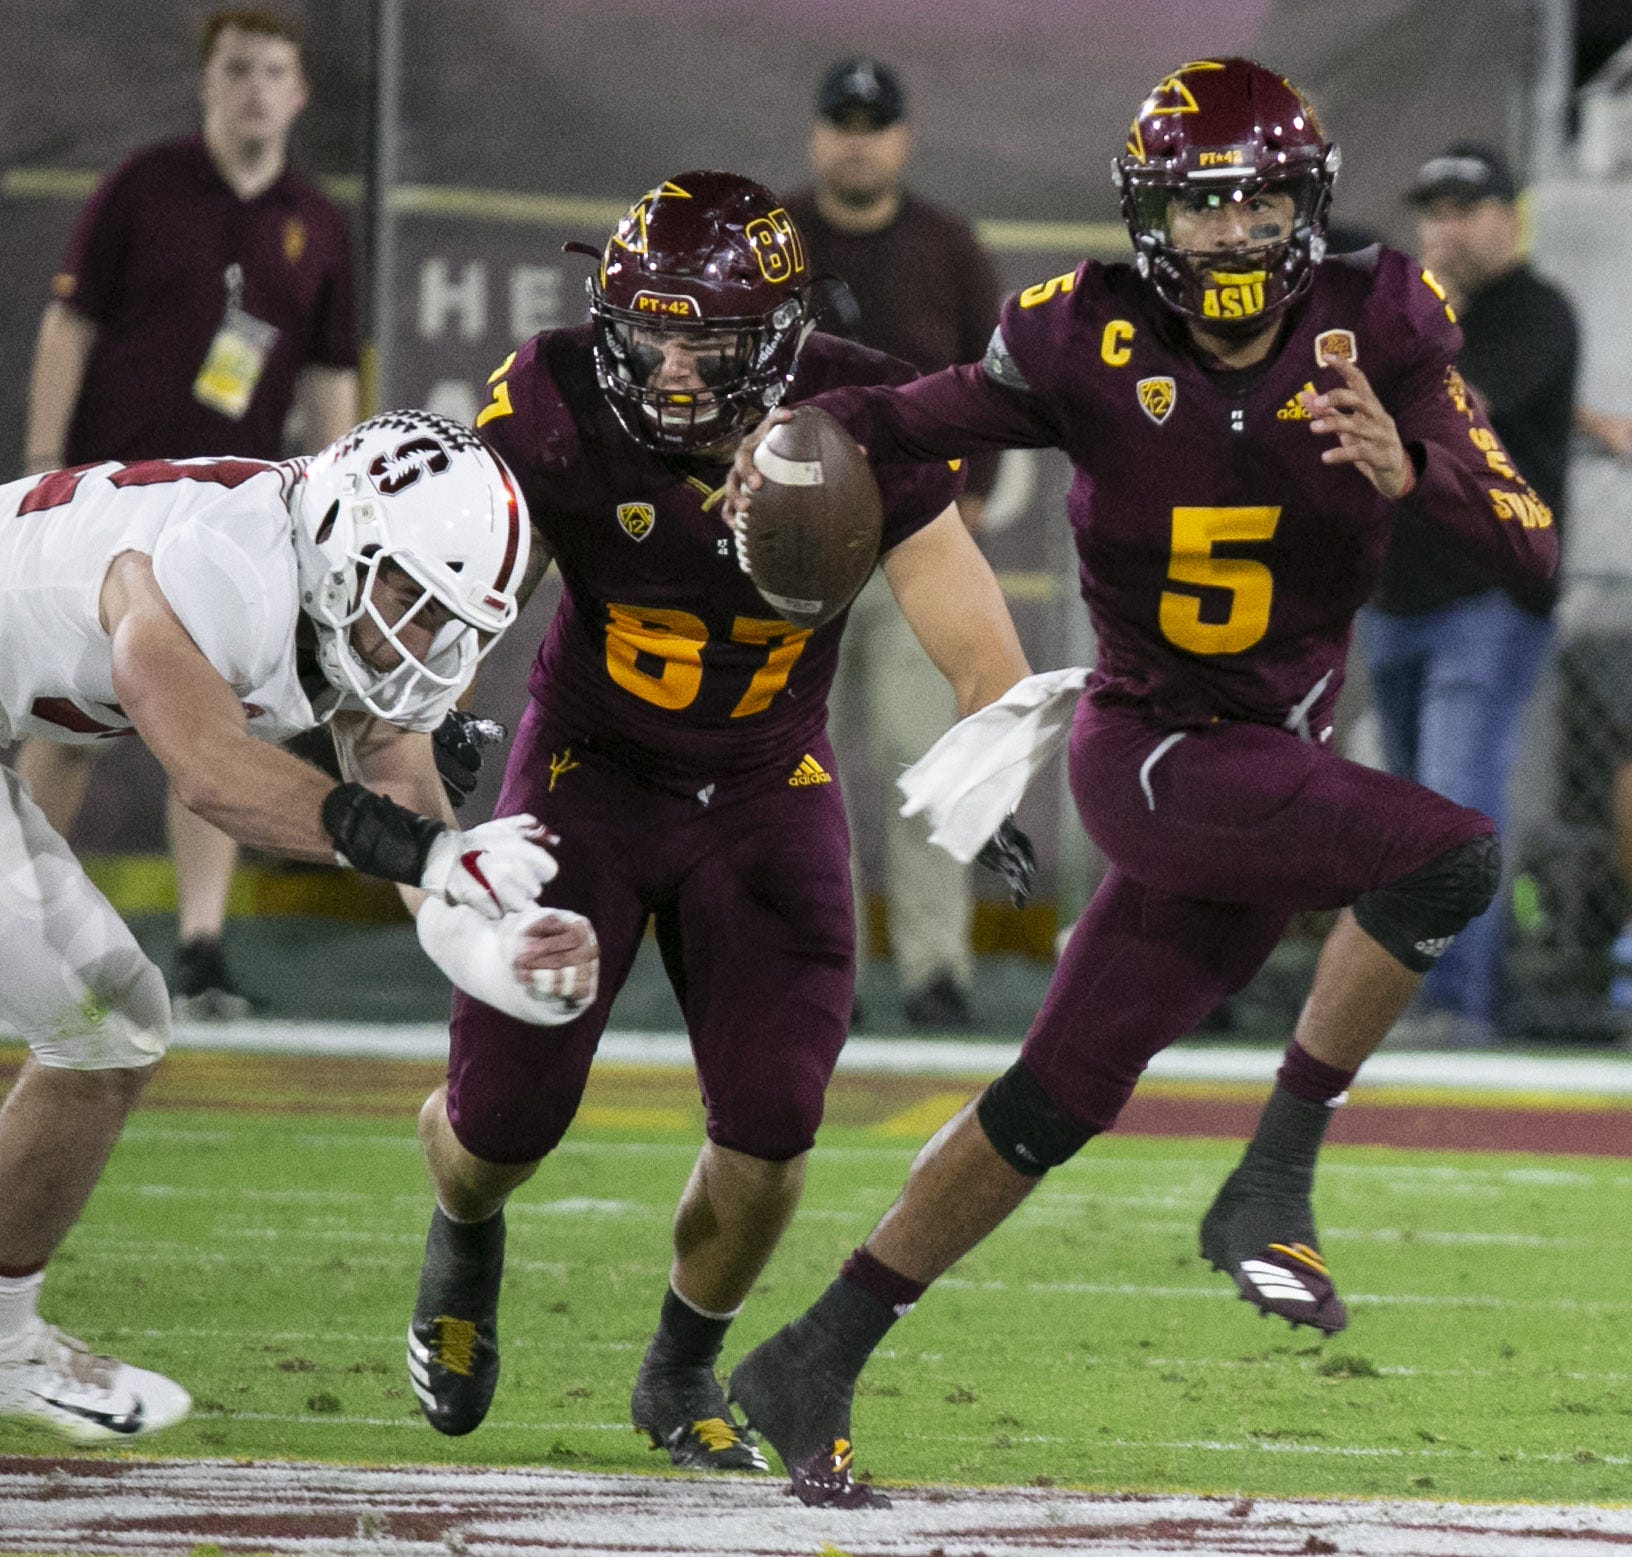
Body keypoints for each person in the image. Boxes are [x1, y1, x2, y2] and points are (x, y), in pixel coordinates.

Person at [722, 58, 1558, 1507]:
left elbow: (1531, 542)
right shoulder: (1080, 333)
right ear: (1148, 215)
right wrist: (789, 448)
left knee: (1052, 1098)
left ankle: (814, 1352)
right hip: (1154, 751)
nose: (1232, 237)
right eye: (1201, 207)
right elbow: (908, 419)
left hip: (1268, 766)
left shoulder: (1384, 318)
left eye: (1259, 206)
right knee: (1450, 856)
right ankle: (1272, 1181)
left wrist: (1414, 466)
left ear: (1306, 206)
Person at [403, 171, 1031, 1471]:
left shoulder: (862, 414)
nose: (675, 366)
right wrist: (447, 707)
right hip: (591, 766)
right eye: (654, 332)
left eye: (711, 340)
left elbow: (971, 631)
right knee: (499, 1122)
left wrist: (994, 765)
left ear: (783, 339)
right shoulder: (560, 393)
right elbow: (475, 569)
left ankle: (679, 1366)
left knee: (773, 1124)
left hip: (763, 785)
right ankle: (462, 1239)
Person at [0, 410, 600, 1444]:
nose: (425, 644)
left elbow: (399, 784)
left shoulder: (335, 572)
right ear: (341, 539)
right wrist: (433, 860)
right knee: (104, 1021)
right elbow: (212, 771)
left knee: (108, 1025)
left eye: (448, 620)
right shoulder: (216, 568)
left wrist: (489, 935)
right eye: (410, 600)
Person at [18, 6, 360, 1020]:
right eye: (238, 69)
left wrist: (332, 498)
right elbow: (67, 326)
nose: (255, 88)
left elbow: (333, 376)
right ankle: (17, 925)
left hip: (232, 530)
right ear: (207, 84)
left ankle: (204, 948)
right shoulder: (142, 185)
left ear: (299, 94)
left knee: (215, 731)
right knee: (64, 719)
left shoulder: (318, 221)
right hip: (112, 507)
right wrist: (46, 461)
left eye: (273, 72)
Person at [783, 59, 1002, 1030]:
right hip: (789, 553)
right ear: (817, 136)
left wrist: (978, 499)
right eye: (843, 121)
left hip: (917, 541)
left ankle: (934, 970)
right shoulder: (775, 240)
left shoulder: (949, 247)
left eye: (876, 123)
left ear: (903, 139)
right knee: (793, 769)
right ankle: (816, 966)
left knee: (925, 757)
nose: (859, 138)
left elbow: (999, 377)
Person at [1359, 144, 1578, 1047]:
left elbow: (1456, 407)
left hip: (1485, 598)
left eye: (1466, 207)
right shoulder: (1415, 313)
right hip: (1398, 596)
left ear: (1509, 215)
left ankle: (1457, 1004)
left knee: (1455, 805)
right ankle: (1411, 1002)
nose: (1447, 226)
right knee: (1412, 814)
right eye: (1434, 209)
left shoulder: (1532, 311)